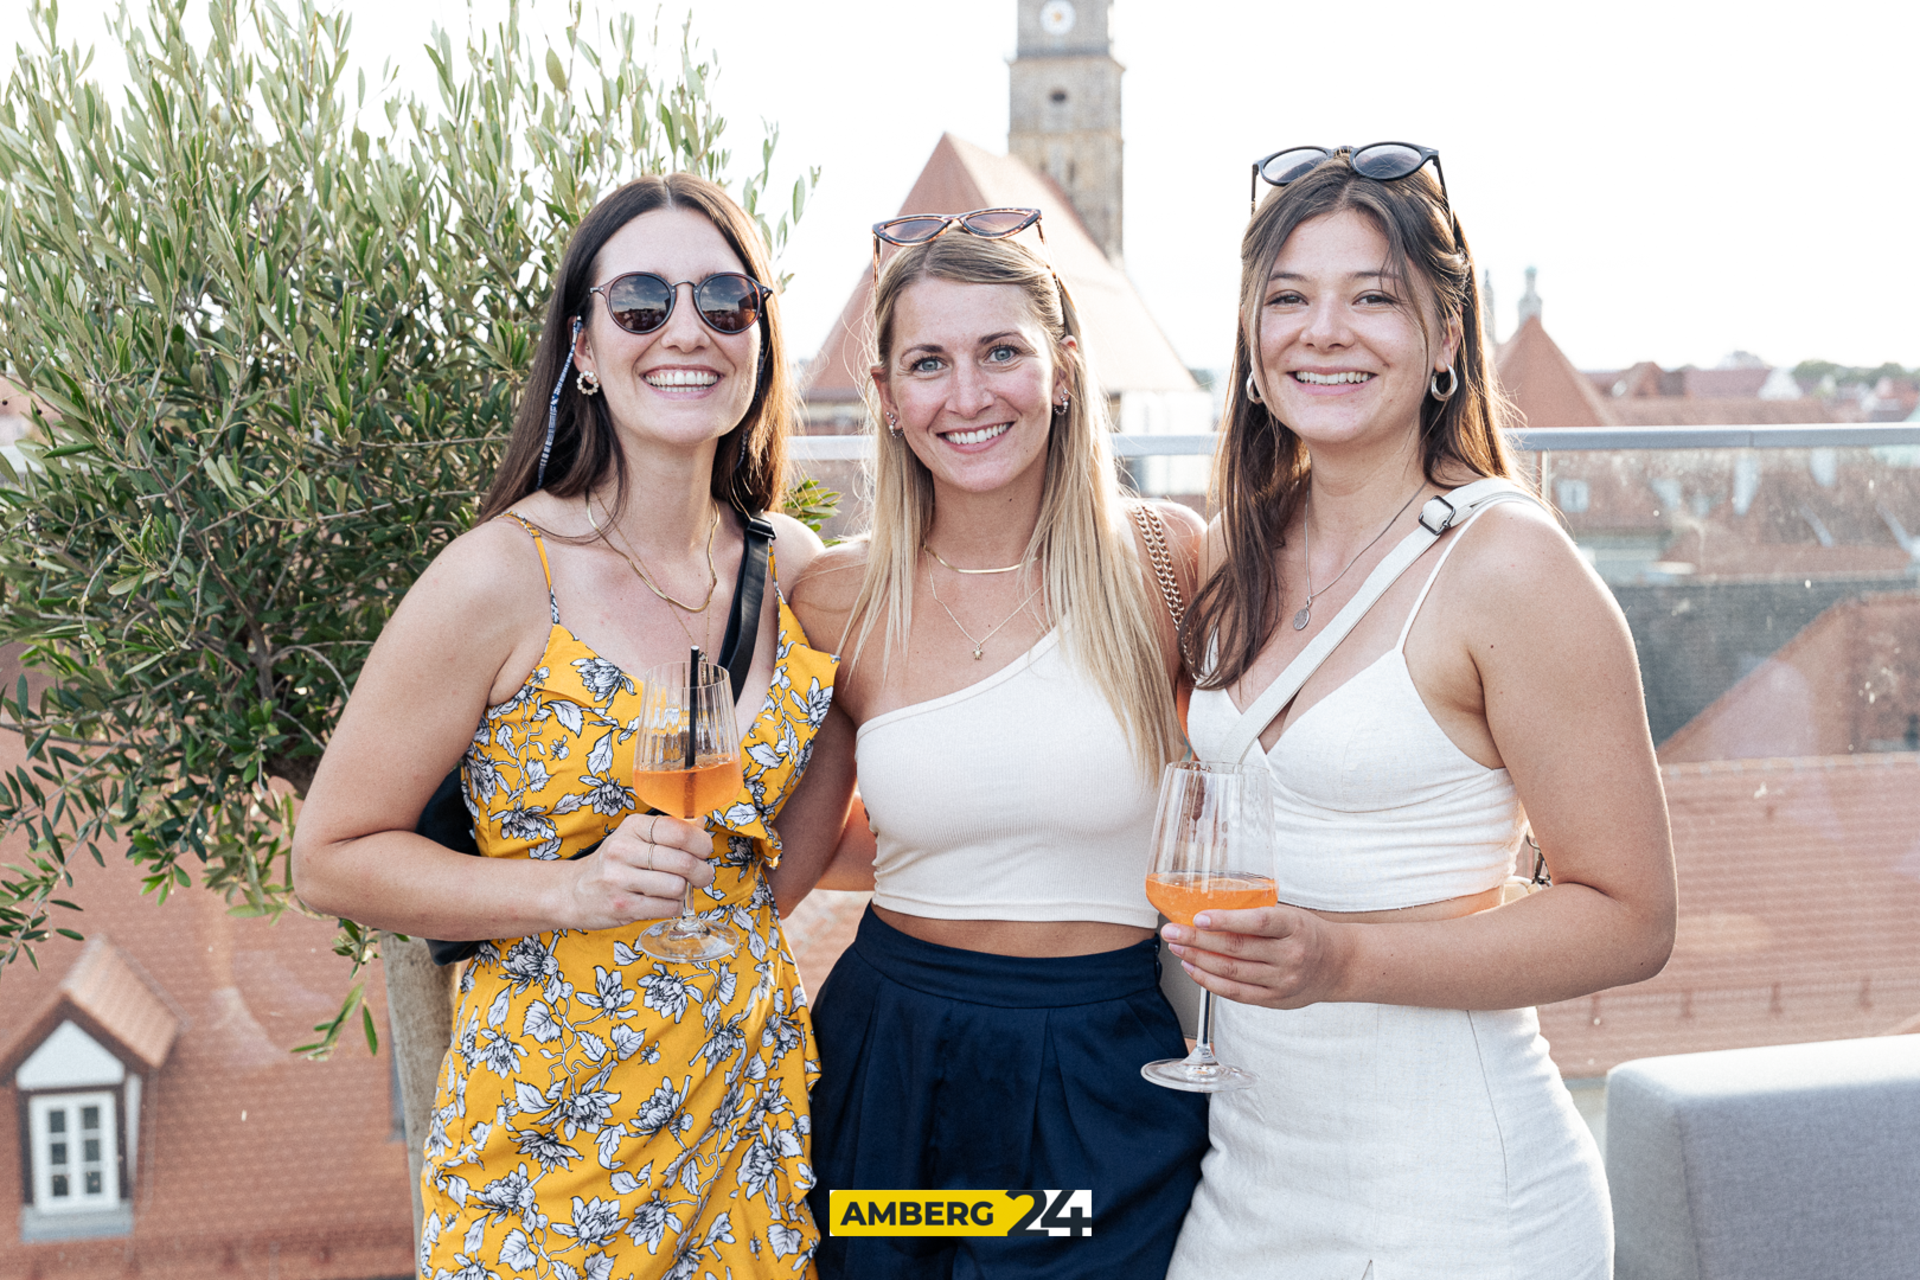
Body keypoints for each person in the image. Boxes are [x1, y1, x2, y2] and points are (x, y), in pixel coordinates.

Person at [292, 173, 855, 1279]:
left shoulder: (791, 567)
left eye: (724, 301)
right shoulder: (501, 576)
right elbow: (329, 856)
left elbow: (791, 841)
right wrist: (573, 891)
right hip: (553, 1156)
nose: (685, 329)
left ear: (759, 340)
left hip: (742, 1127)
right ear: (586, 349)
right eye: (642, 302)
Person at [1160, 145, 1677, 1278]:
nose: (1323, 330)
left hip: (1456, 1203)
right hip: (1246, 1185)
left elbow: (1632, 916)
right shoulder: (1234, 552)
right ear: (1251, 343)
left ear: (1447, 338)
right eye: (1287, 297)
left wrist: (1338, 958)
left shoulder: (1509, 566)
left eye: (1374, 297)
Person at [784, 220, 1210, 1279]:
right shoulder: (838, 596)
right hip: (891, 1057)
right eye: (928, 362)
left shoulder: (1166, 562)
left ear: (1063, 369)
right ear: (886, 396)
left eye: (1001, 351)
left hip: (1100, 1064)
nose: (967, 395)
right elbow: (795, 855)